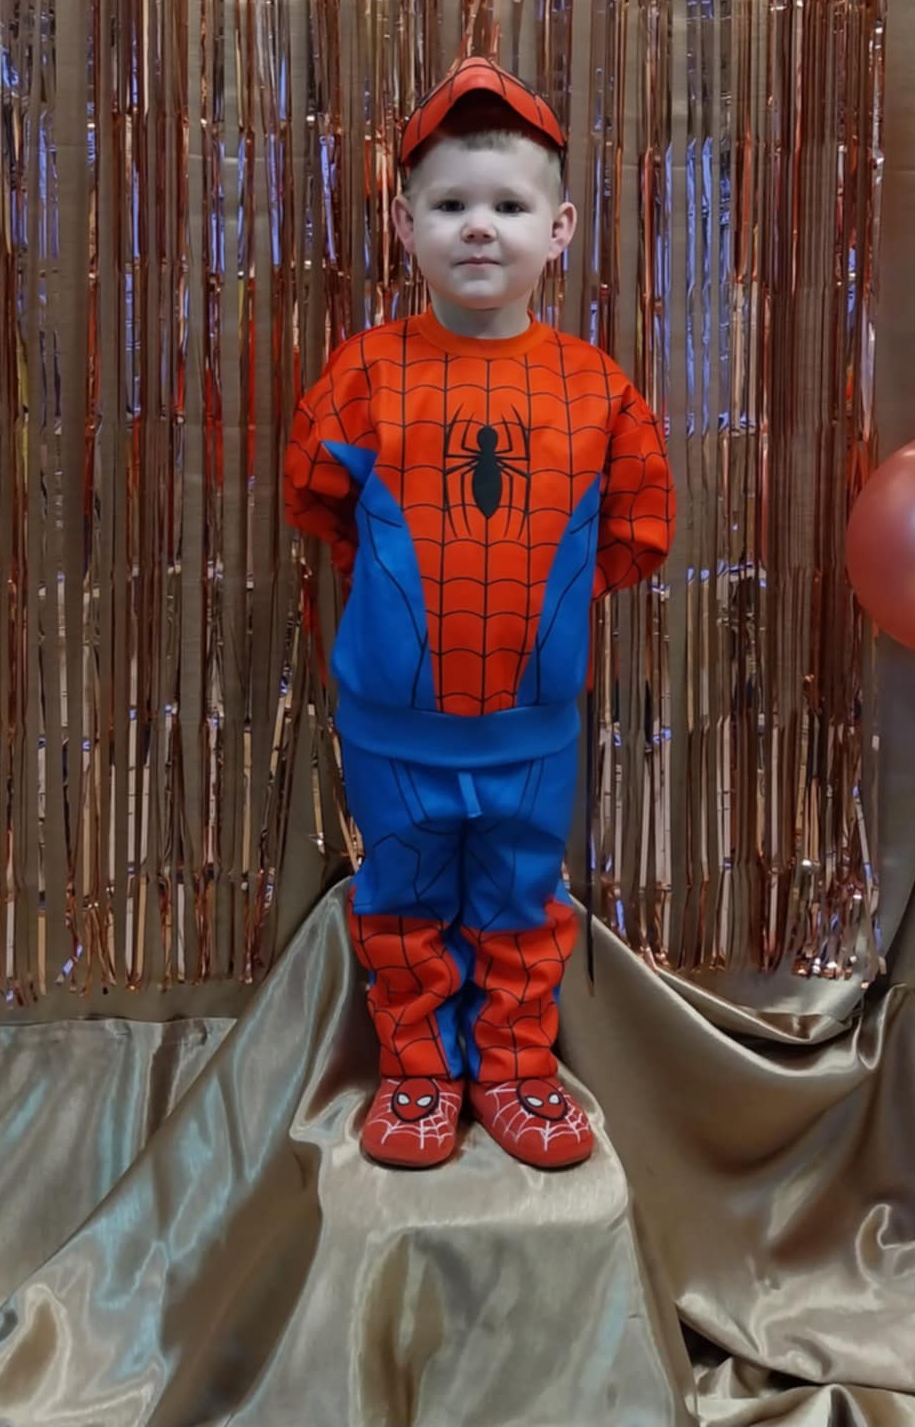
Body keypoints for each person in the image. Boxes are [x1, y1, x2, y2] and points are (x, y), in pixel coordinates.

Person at [283, 57, 675, 1170]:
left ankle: (513, 1069)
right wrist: (395, 605)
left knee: (519, 897)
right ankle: (416, 1073)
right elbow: (315, 497)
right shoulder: (362, 375)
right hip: (392, 728)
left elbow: (639, 530)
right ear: (404, 225)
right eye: (449, 203)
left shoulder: (599, 389)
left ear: (558, 230)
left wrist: (543, 619)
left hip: (531, 728)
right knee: (401, 897)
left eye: (507, 204)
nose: (477, 227)